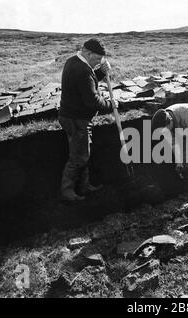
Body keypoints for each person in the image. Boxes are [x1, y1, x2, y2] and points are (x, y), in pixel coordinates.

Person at [58, 38, 115, 201]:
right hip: (76, 119)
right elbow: (92, 101)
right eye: (97, 59)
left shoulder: (73, 62)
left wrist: (102, 73)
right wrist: (111, 104)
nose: (98, 62)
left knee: (83, 153)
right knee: (79, 156)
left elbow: (87, 83)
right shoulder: (82, 69)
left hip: (72, 116)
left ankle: (84, 186)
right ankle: (68, 191)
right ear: (88, 53)